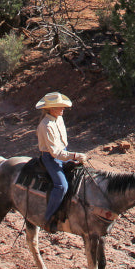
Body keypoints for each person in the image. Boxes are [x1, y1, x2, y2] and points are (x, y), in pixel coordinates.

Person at [36, 92, 88, 232]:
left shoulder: (58, 119)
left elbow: (62, 147)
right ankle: (47, 219)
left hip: (62, 154)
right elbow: (55, 153)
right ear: (52, 109)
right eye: (60, 107)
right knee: (62, 186)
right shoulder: (46, 125)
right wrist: (75, 156)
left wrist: (71, 156)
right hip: (51, 158)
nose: (63, 109)